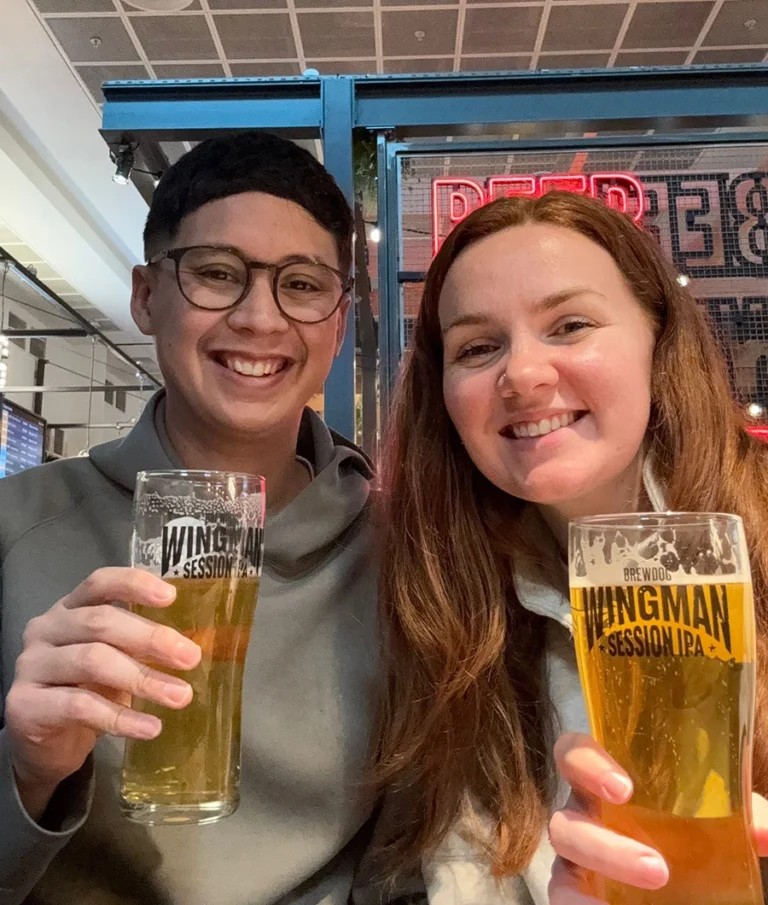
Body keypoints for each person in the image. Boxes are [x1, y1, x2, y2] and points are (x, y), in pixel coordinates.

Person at [0, 132, 386, 905]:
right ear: (146, 296)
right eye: (217, 273)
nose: (261, 318)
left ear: (339, 323)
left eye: (302, 285)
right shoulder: (16, 527)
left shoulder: (402, 554)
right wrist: (28, 769)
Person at [371, 190, 768, 903]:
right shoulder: (447, 603)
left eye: (570, 325)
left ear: (658, 339)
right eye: (478, 347)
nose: (522, 374)